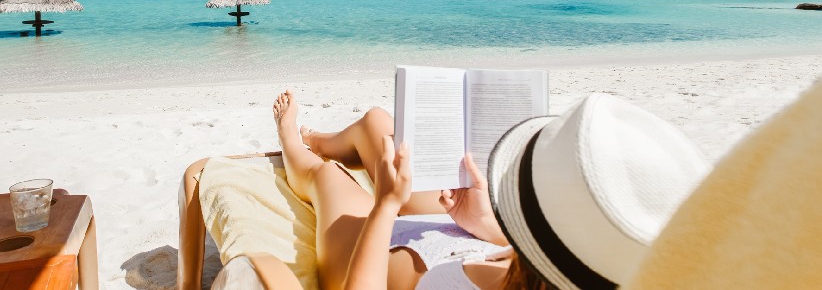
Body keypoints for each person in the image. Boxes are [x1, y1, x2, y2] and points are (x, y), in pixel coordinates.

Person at [271, 89, 710, 290]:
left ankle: (294, 140)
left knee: (328, 178)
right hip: (467, 237)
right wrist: (493, 228)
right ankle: (326, 140)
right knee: (380, 125)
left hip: (372, 263)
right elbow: (562, 253)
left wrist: (386, 206)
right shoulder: (601, 266)